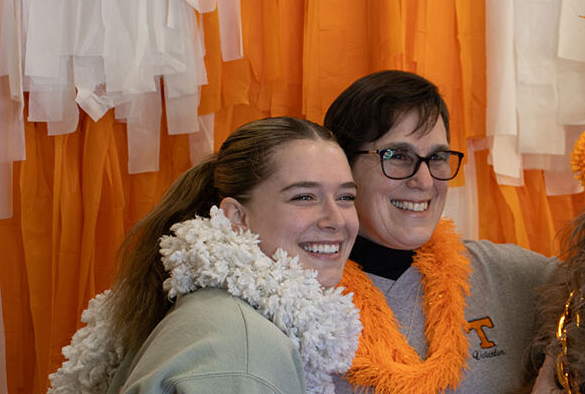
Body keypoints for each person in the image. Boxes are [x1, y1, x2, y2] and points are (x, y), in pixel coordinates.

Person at [47, 117, 363, 394]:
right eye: (304, 196)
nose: (336, 219)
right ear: (236, 217)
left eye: (346, 197)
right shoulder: (242, 347)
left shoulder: (216, 315)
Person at [323, 70, 557, 394]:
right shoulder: (299, 292)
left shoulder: (513, 277)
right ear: (342, 166)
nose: (424, 181)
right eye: (398, 156)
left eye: (437, 157)